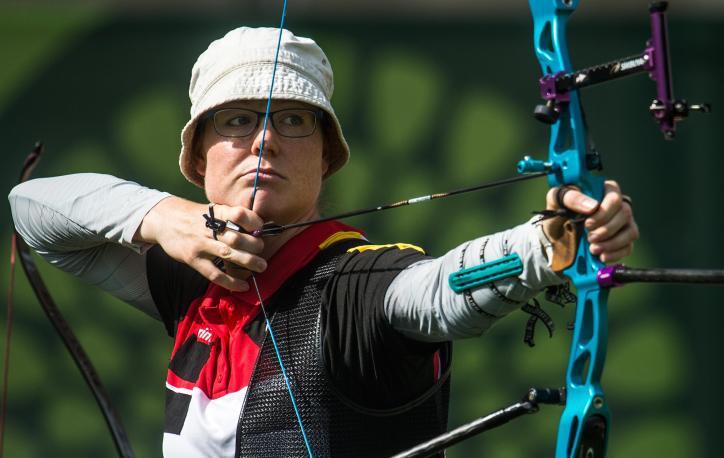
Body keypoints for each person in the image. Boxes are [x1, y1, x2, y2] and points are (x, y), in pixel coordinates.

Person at [9, 27, 638, 457]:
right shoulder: (191, 277)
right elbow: (31, 209)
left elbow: (440, 292)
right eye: (236, 119)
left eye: (292, 119)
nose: (264, 140)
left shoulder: (358, 290)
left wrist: (550, 241)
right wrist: (162, 218)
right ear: (197, 157)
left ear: (326, 157)